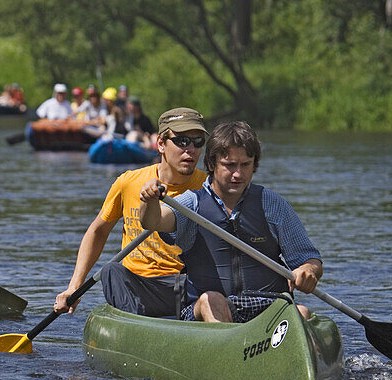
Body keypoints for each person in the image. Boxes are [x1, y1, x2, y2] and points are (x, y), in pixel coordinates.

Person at [138, 120, 323, 322]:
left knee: (302, 312)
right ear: (211, 164)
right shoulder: (191, 204)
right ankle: (224, 348)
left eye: (245, 165)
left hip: (268, 305)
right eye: (229, 165)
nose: (238, 174)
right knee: (212, 300)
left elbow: (310, 259)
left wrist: (307, 271)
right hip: (207, 308)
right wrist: (149, 200)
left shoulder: (272, 204)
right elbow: (153, 222)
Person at [54, 107, 209, 318]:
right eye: (182, 141)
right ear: (161, 144)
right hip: (138, 285)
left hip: (187, 285)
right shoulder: (128, 182)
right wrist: (74, 287)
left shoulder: (210, 187)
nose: (190, 149)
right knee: (111, 271)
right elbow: (98, 232)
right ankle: (136, 324)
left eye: (198, 142)